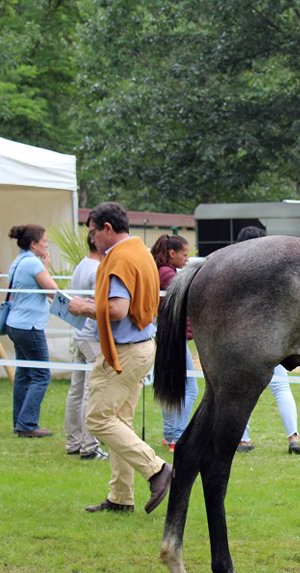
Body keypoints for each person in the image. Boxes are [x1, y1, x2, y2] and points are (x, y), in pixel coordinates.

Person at [68, 202, 172, 513]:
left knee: (98, 419)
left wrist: (83, 307)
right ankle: (121, 497)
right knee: (120, 422)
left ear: (107, 228)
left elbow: (117, 310)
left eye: (93, 232)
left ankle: (157, 469)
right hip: (142, 346)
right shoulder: (140, 251)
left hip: (123, 352)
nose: (92, 239)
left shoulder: (119, 258)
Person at [233, 226, 300, 455]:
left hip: (247, 338)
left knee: (241, 390)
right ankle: (293, 437)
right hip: (276, 336)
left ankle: (243, 439)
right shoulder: (273, 271)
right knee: (282, 388)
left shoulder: (235, 270)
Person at [5, 224, 59, 438]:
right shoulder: (33, 264)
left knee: (24, 373)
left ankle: (20, 421)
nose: (47, 245)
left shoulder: (18, 261)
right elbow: (52, 290)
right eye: (44, 241)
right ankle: (27, 424)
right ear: (34, 244)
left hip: (16, 323)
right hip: (30, 326)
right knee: (41, 375)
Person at [64, 229, 108, 460]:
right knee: (92, 390)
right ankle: (89, 445)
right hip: (92, 335)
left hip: (80, 333)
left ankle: (74, 441)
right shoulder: (97, 269)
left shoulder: (82, 265)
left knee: (77, 389)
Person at [151, 234, 197, 452]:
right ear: (172, 253)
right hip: (173, 337)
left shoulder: (161, 271)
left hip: (167, 336)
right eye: (184, 254)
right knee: (190, 388)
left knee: (171, 385)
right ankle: (177, 437)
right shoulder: (168, 274)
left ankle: (170, 434)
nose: (187, 259)